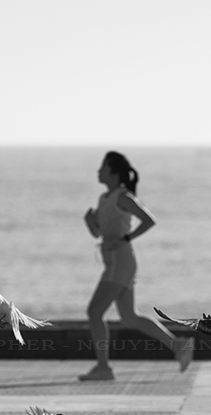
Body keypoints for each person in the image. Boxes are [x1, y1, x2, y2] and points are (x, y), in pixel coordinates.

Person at [78, 151, 192, 381]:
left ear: (114, 173)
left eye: (103, 167)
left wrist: (127, 238)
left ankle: (104, 368)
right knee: (129, 317)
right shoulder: (104, 198)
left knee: (94, 312)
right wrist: (89, 222)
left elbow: (149, 220)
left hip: (120, 262)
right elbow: (100, 233)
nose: (99, 171)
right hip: (115, 262)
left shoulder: (123, 197)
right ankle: (178, 345)